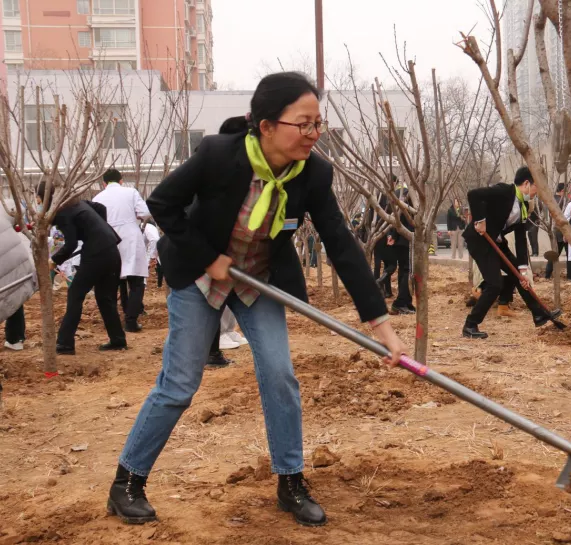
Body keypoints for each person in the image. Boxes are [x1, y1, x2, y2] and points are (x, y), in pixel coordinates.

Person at [109, 72, 405, 527]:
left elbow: (341, 244)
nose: (313, 134)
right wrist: (209, 259)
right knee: (180, 383)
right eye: (302, 124)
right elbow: (163, 203)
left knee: (281, 376)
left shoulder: (314, 172)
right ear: (266, 126)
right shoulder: (217, 155)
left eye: (317, 124)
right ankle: (127, 482)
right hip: (201, 276)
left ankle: (290, 482)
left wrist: (380, 324)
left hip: (258, 280)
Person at [462, 166, 559, 339]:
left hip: (496, 242)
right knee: (494, 284)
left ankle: (539, 314)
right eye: (538, 186)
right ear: (527, 183)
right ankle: (470, 325)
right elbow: (473, 194)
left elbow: (521, 238)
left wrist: (522, 268)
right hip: (479, 241)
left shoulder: (522, 206)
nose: (538, 192)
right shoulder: (504, 192)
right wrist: (480, 220)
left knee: (520, 277)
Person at [40, 185, 126, 355]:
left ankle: (65, 344)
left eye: (39, 199)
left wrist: (54, 260)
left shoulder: (63, 213)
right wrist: (98, 231)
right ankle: (118, 340)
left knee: (75, 294)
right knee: (105, 298)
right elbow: (101, 208)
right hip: (111, 249)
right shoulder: (79, 204)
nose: (39, 203)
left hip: (96, 254)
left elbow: (71, 244)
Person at [93, 169, 151, 333]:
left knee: (116, 281)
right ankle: (131, 321)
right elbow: (145, 212)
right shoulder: (130, 192)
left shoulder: (97, 198)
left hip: (108, 240)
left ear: (104, 183)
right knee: (136, 282)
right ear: (121, 181)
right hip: (130, 238)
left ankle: (116, 322)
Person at [1, 205, 37, 352]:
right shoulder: (4, 214)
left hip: (7, 261)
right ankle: (15, 339)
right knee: (14, 298)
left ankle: (14, 338)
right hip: (19, 262)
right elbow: (15, 219)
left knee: (9, 298)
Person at [383, 188, 415, 315]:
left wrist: (392, 235)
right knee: (407, 271)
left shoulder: (400, 193)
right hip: (405, 240)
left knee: (404, 271)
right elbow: (399, 218)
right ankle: (400, 303)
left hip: (400, 240)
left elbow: (394, 218)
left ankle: (406, 301)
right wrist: (394, 235)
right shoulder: (406, 194)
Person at [544, 183, 571, 280]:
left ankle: (547, 275)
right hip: (563, 231)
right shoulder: (564, 201)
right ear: (563, 191)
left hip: (554, 230)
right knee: (569, 255)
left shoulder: (551, 200)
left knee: (554, 255)